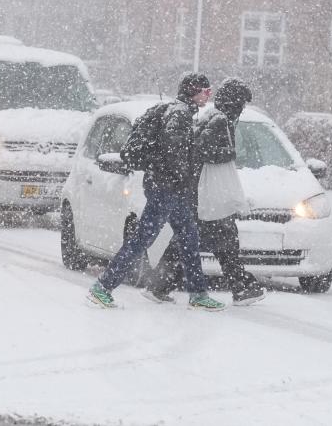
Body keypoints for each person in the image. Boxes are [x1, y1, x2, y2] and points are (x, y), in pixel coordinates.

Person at [87, 72, 226, 312]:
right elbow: (174, 155)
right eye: (206, 90)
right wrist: (180, 179)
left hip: (171, 190)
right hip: (167, 190)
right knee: (143, 239)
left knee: (189, 239)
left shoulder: (180, 112)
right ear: (194, 91)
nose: (209, 95)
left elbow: (172, 153)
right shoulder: (180, 115)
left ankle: (198, 293)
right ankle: (103, 287)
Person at [142, 77, 265, 306]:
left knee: (198, 241)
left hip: (200, 194)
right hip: (204, 196)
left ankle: (160, 285)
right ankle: (240, 287)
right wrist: (227, 154)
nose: (242, 109)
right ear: (234, 103)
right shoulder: (219, 120)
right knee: (218, 240)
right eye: (241, 104)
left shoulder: (214, 117)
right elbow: (198, 151)